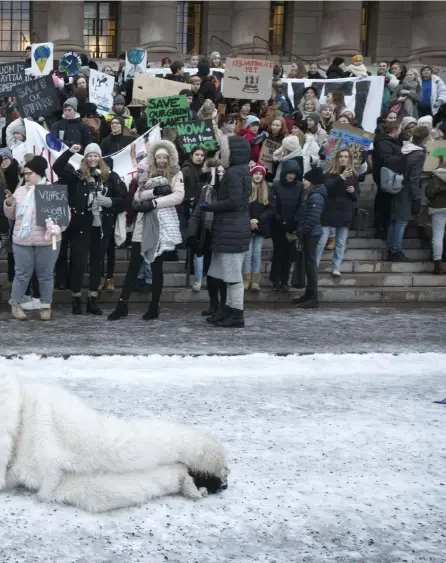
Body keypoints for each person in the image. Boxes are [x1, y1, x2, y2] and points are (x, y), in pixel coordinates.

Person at [107, 139, 184, 321]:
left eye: (165, 157)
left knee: (156, 267)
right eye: (159, 157)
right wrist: (155, 194)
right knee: (133, 265)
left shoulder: (175, 173)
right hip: (142, 222)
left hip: (160, 224)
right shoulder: (146, 173)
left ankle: (154, 306)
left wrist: (154, 203)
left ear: (169, 158)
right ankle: (122, 305)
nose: (162, 160)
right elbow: (137, 195)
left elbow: (178, 196)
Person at [53, 143, 127, 315]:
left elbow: (123, 200)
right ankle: (77, 298)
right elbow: (57, 167)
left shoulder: (111, 176)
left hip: (102, 227)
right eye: (89, 156)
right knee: (78, 263)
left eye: (96, 156)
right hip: (80, 226)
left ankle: (92, 300)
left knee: (97, 264)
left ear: (100, 158)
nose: (93, 159)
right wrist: (70, 152)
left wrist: (109, 202)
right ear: (85, 158)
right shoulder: (77, 175)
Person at [3, 156, 64, 321]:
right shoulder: (21, 191)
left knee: (45, 275)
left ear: (38, 172)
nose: (26, 177)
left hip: (46, 241)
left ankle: (45, 306)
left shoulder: (51, 191)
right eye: (24, 174)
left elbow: (64, 218)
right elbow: (12, 216)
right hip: (22, 241)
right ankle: (15, 304)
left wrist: (58, 227)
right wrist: (9, 204)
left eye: (29, 173)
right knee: (22, 273)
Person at [201, 136, 251, 328]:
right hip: (231, 229)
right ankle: (227, 309)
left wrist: (211, 206)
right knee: (224, 273)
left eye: (223, 151)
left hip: (232, 230)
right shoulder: (240, 171)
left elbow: (235, 202)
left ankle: (236, 313)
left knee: (232, 276)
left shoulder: (234, 173)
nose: (220, 155)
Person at [187, 159, 227, 318]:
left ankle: (224, 305)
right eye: (218, 173)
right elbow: (197, 213)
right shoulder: (206, 190)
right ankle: (213, 304)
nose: (220, 175)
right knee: (210, 272)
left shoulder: (228, 191)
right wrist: (191, 234)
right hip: (208, 235)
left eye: (223, 173)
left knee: (223, 274)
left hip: (224, 235)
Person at [386, 126, 429, 262]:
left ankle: (391, 248)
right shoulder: (419, 154)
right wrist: (416, 198)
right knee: (402, 221)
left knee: (394, 220)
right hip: (407, 190)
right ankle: (396, 250)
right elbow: (414, 178)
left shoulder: (406, 149)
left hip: (397, 186)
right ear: (425, 138)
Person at [316, 149, 358, 276]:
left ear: (349, 159)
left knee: (340, 243)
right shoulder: (329, 174)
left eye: (346, 157)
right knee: (321, 242)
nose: (343, 159)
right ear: (337, 158)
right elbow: (328, 188)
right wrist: (342, 177)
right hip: (329, 211)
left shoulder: (353, 176)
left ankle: (336, 267)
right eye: (341, 156)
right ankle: (314, 266)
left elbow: (356, 197)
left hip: (344, 211)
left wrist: (353, 192)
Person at [292, 167, 327, 309]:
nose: (304, 182)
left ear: (312, 182)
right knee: (308, 264)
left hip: (312, 234)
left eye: (306, 180)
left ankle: (313, 297)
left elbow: (313, 217)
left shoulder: (315, 196)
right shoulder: (312, 194)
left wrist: (303, 230)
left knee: (311, 264)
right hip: (310, 233)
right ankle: (308, 294)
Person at [270, 160, 303, 292]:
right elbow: (273, 205)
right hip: (278, 225)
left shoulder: (299, 186)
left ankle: (284, 281)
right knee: (278, 253)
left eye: (293, 173)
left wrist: (294, 223)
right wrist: (280, 220)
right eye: (289, 173)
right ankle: (275, 280)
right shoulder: (276, 186)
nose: (291, 176)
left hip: (292, 225)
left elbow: (300, 206)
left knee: (288, 255)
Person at [242, 162, 274, 292]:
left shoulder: (268, 190)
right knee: (247, 254)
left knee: (256, 253)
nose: (257, 176)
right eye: (255, 173)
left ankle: (255, 281)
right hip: (247, 224)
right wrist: (250, 220)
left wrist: (258, 219)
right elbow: (243, 206)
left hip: (261, 226)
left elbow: (271, 209)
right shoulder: (247, 189)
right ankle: (246, 279)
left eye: (260, 174)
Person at [180, 146, 207, 292]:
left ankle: (198, 276)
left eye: (202, 155)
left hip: (200, 210)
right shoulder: (187, 170)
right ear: (191, 155)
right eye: (197, 154)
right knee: (193, 243)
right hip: (189, 209)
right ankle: (196, 276)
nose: (200, 157)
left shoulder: (203, 171)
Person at [372, 122, 403, 240]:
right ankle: (380, 228)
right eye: (399, 128)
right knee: (383, 204)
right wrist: (403, 156)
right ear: (394, 129)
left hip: (390, 178)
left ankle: (384, 228)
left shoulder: (392, 142)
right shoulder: (384, 143)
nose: (400, 131)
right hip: (385, 179)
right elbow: (387, 159)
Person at [426, 163, 446, 274]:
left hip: (438, 207)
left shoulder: (437, 174)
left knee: (438, 235)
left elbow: (429, 193)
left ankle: (438, 264)